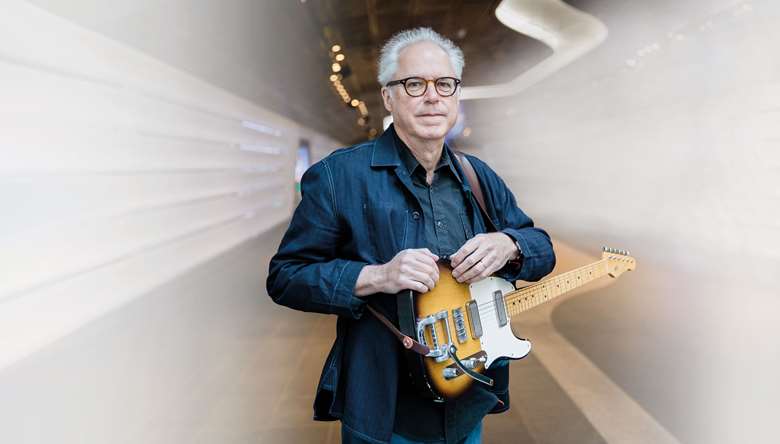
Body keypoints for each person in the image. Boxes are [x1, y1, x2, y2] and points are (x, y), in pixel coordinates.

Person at [267, 27, 556, 444]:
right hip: (384, 411)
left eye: (444, 84)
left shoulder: (477, 177)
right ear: (388, 97)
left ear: (456, 95)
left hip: (466, 401)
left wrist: (510, 244)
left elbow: (541, 248)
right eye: (414, 84)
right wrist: (377, 276)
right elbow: (286, 276)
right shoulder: (338, 176)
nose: (432, 96)